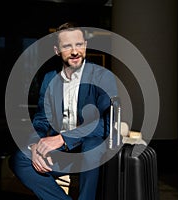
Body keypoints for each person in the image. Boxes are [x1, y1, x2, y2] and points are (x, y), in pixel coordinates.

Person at [9, 22, 118, 200]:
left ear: (85, 45)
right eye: (67, 46)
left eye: (79, 44)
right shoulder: (49, 78)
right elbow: (42, 119)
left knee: (93, 146)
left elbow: (106, 122)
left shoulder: (102, 76)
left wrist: (63, 139)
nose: (75, 51)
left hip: (90, 151)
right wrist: (36, 145)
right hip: (63, 155)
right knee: (20, 160)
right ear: (57, 50)